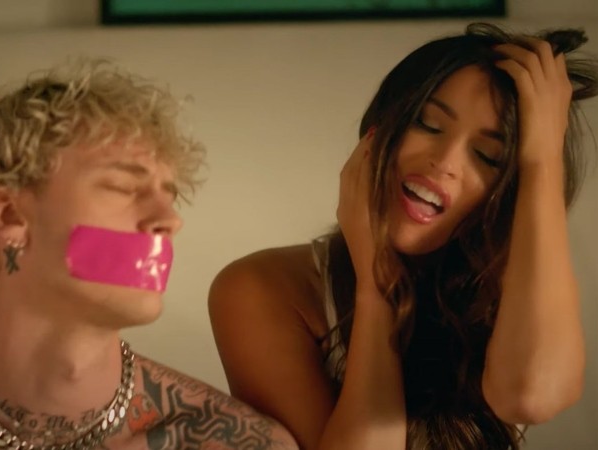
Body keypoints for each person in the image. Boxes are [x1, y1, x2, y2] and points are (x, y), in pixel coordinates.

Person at [209, 22, 598, 450]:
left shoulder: (510, 294)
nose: (444, 162)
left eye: (488, 156)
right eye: (427, 124)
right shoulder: (259, 288)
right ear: (377, 129)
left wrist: (542, 158)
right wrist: (375, 288)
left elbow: (531, 397)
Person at [0, 59, 298, 450]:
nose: (170, 220)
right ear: (9, 214)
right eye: (124, 187)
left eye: (170, 195)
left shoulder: (239, 443)